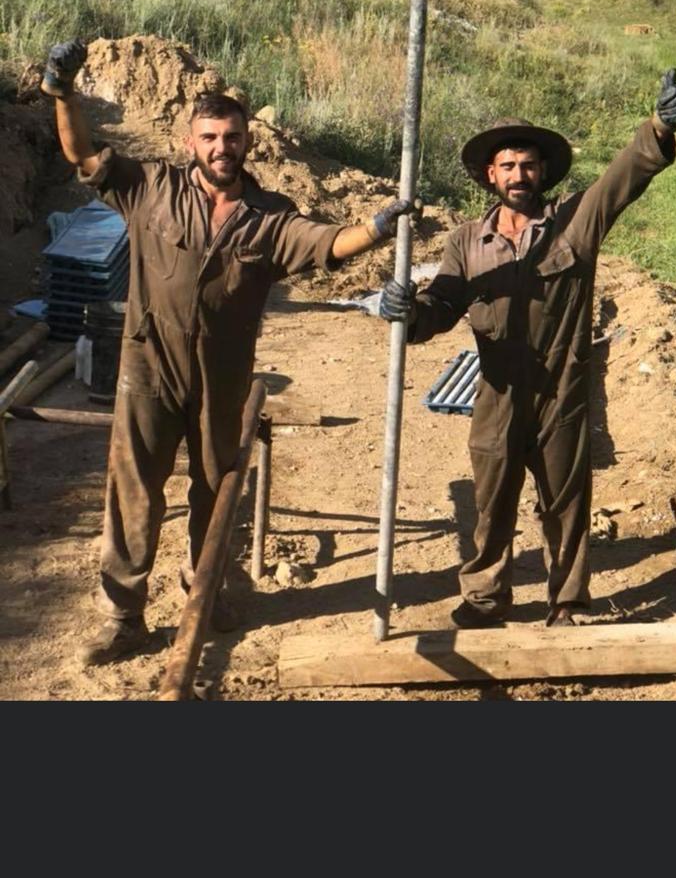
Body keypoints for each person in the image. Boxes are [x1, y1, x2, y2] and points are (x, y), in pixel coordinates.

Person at [43, 38, 413, 665]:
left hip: (223, 377)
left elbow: (326, 243)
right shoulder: (149, 188)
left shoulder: (270, 217)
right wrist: (64, 92)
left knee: (216, 492)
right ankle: (123, 617)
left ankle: (206, 592)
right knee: (134, 491)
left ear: (248, 142)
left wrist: (379, 228)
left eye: (233, 137)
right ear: (191, 141)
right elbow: (81, 153)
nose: (222, 147)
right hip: (149, 367)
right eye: (210, 137)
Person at [379, 69, 676, 629]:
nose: (519, 175)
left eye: (528, 165)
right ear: (490, 175)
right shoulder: (466, 241)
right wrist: (410, 311)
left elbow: (621, 180)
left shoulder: (575, 223)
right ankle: (486, 597)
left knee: (565, 504)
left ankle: (566, 602)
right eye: (508, 167)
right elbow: (442, 305)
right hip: (497, 390)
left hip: (561, 391)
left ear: (543, 171)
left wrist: (659, 128)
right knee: (491, 501)